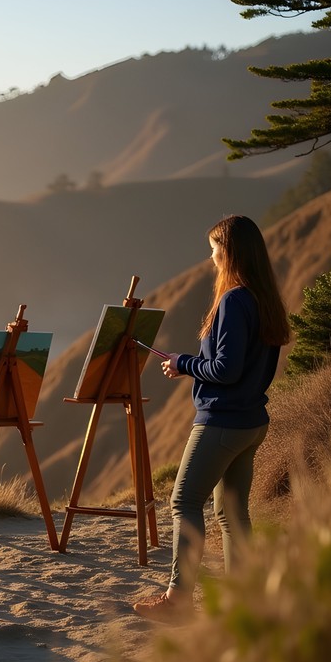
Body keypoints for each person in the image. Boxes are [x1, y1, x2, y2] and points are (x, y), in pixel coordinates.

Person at [134, 215, 290, 622]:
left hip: (222, 422)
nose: (211, 258)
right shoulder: (263, 299)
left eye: (214, 249)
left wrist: (183, 363)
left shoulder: (234, 301)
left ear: (230, 252)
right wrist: (191, 364)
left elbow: (225, 369)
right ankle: (245, 600)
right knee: (232, 513)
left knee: (184, 501)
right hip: (252, 422)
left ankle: (177, 601)